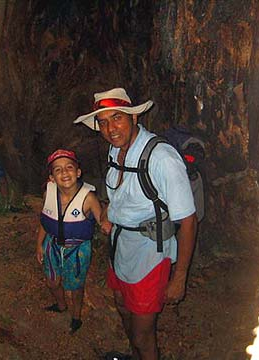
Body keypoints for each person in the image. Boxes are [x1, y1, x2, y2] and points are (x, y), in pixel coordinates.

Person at [74, 88, 197, 360]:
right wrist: (108, 214)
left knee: (143, 334)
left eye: (117, 118)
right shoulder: (115, 150)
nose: (110, 128)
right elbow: (122, 193)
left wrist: (179, 278)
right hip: (120, 249)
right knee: (122, 308)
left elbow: (187, 220)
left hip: (149, 255)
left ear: (133, 118)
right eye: (103, 122)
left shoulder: (161, 159)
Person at [35, 149, 102, 334]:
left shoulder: (88, 198)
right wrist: (38, 244)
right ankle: (61, 305)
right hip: (52, 243)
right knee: (52, 282)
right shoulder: (48, 194)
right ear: (52, 177)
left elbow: (104, 223)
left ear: (78, 172)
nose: (64, 173)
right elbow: (45, 220)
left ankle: (76, 316)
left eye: (69, 167)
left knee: (75, 286)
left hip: (77, 249)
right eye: (58, 170)